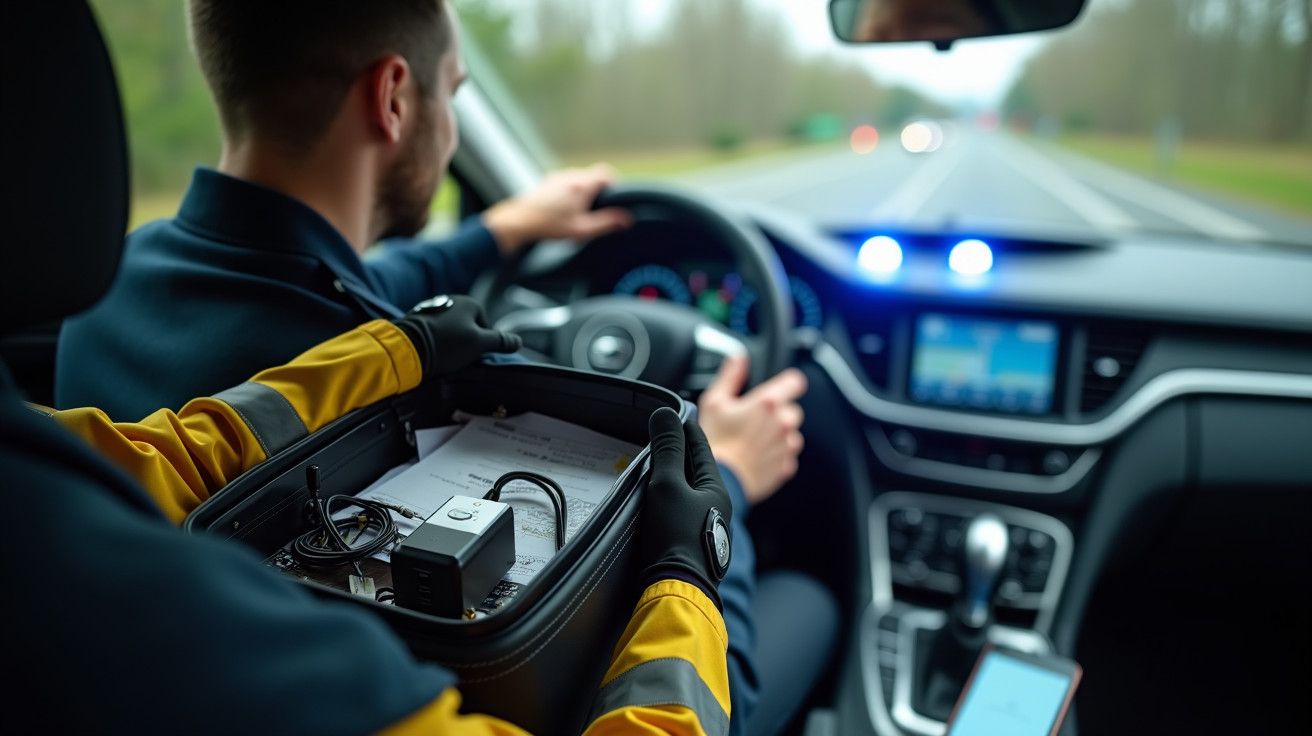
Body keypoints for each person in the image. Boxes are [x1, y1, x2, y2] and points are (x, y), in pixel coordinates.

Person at [55, 0, 838, 731]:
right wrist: (723, 489)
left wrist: (500, 231)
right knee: (812, 599)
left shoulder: (113, 274)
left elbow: (339, 286)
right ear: (394, 97)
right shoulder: (391, 405)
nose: (454, 135)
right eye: (453, 95)